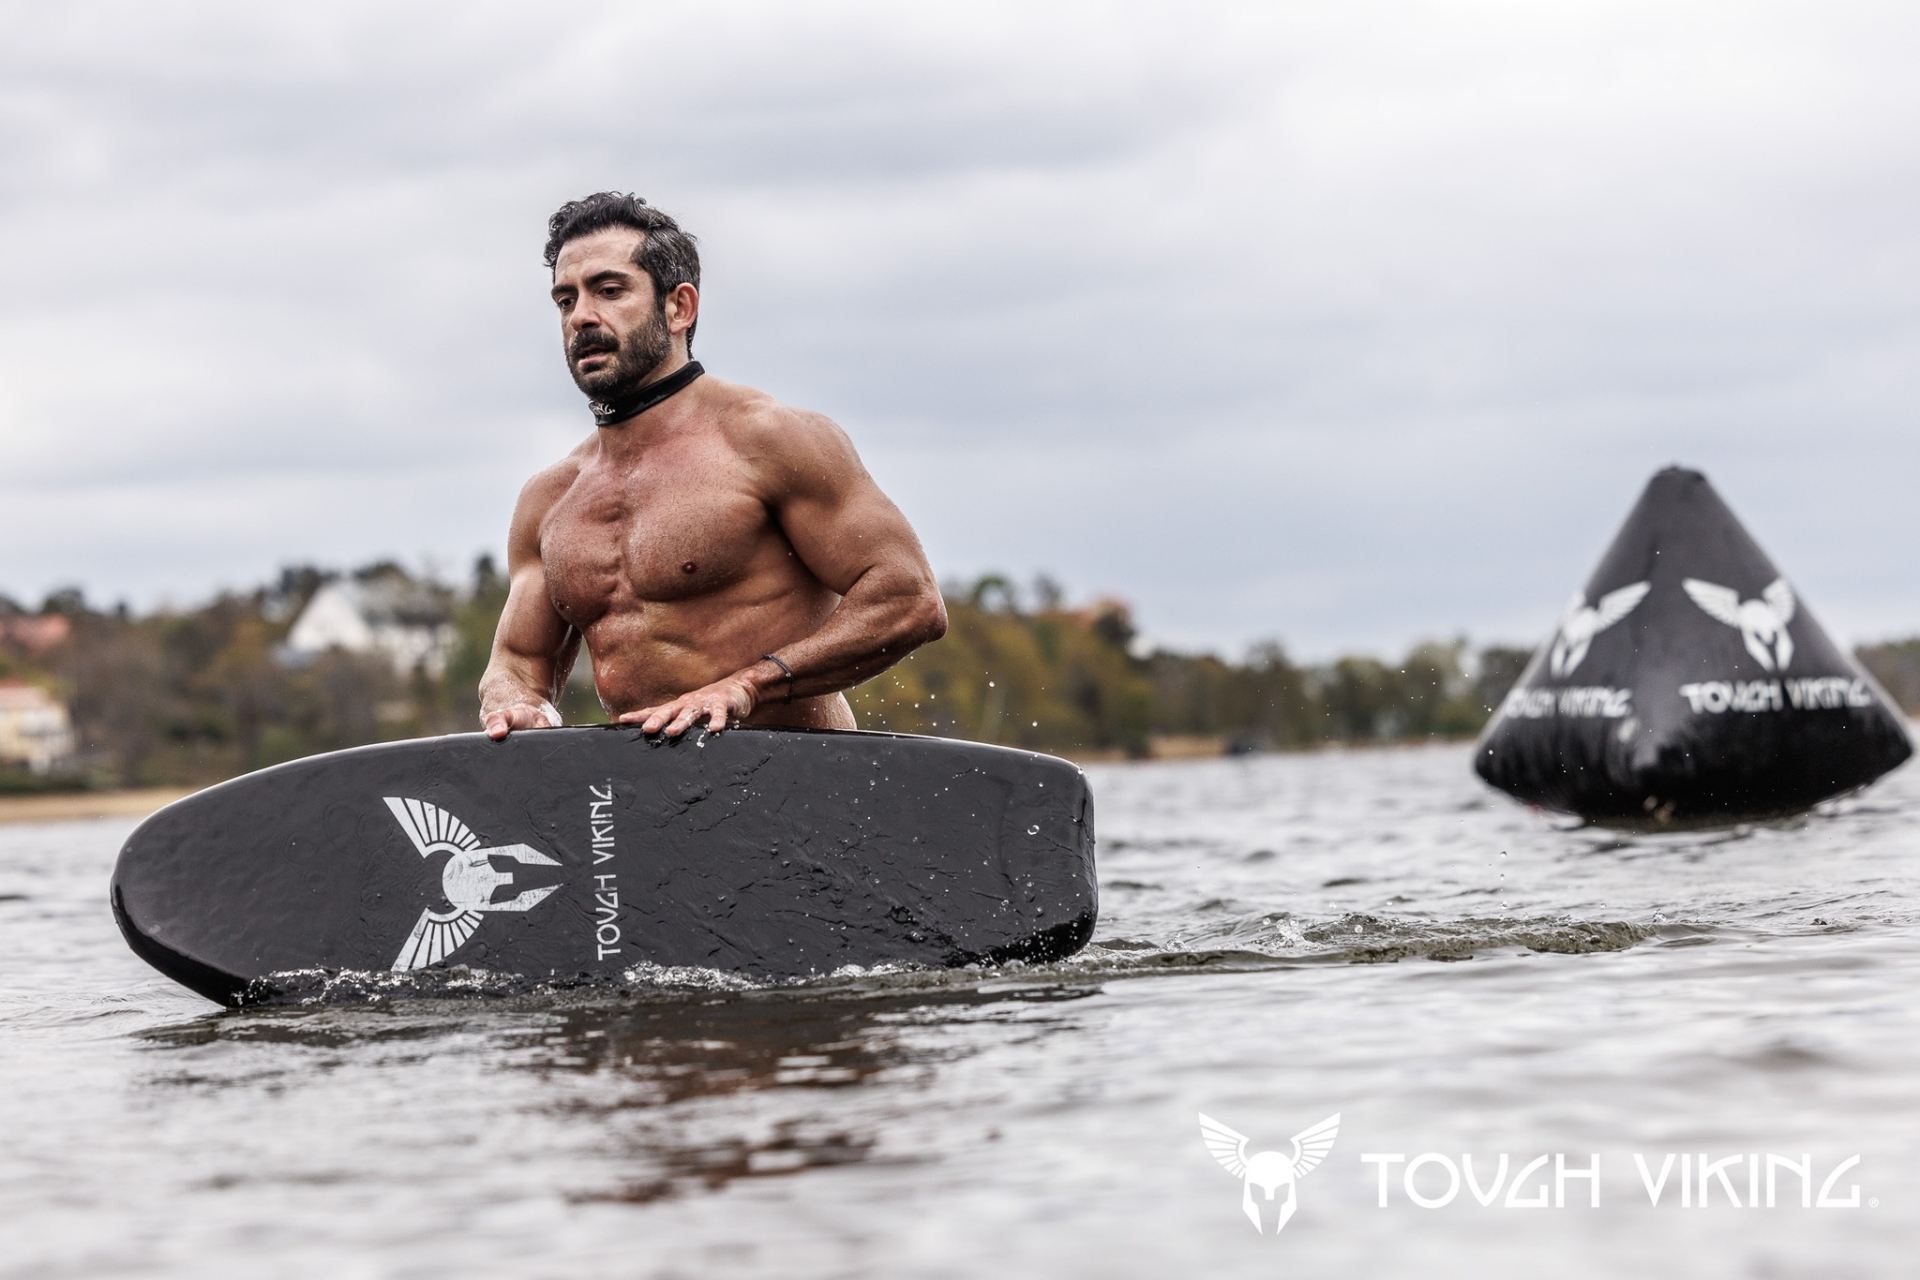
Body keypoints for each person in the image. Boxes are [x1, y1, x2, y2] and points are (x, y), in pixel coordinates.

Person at [479, 192, 947, 740]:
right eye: (565, 300)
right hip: (648, 807)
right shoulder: (551, 498)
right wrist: (516, 703)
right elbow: (516, 663)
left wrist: (748, 685)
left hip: (800, 789)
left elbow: (909, 598)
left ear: (679, 307)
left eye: (609, 291)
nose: (581, 316)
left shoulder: (768, 439)